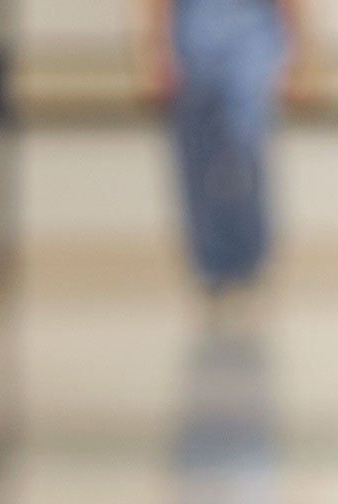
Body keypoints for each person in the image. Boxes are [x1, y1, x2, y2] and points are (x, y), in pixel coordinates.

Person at [143, 0, 311, 298]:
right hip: (191, 30)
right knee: (198, 152)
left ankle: (248, 258)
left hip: (252, 28)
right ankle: (210, 262)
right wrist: (157, 52)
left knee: (244, 144)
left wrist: (302, 55)